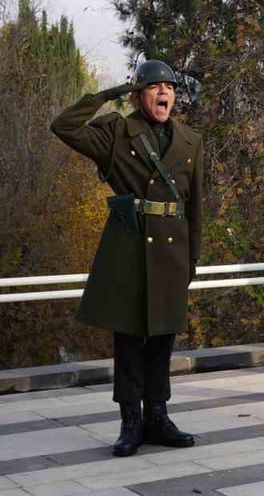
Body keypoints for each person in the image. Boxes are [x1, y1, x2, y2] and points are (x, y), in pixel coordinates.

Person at [51, 59, 202, 457]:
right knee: (131, 341)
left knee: (162, 340)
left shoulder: (190, 140)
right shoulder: (116, 134)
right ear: (138, 96)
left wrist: (192, 260)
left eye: (169, 87)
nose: (164, 92)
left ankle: (158, 416)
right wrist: (108, 94)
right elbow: (63, 126)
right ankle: (130, 422)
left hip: (172, 250)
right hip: (130, 249)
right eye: (154, 87)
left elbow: (197, 205)